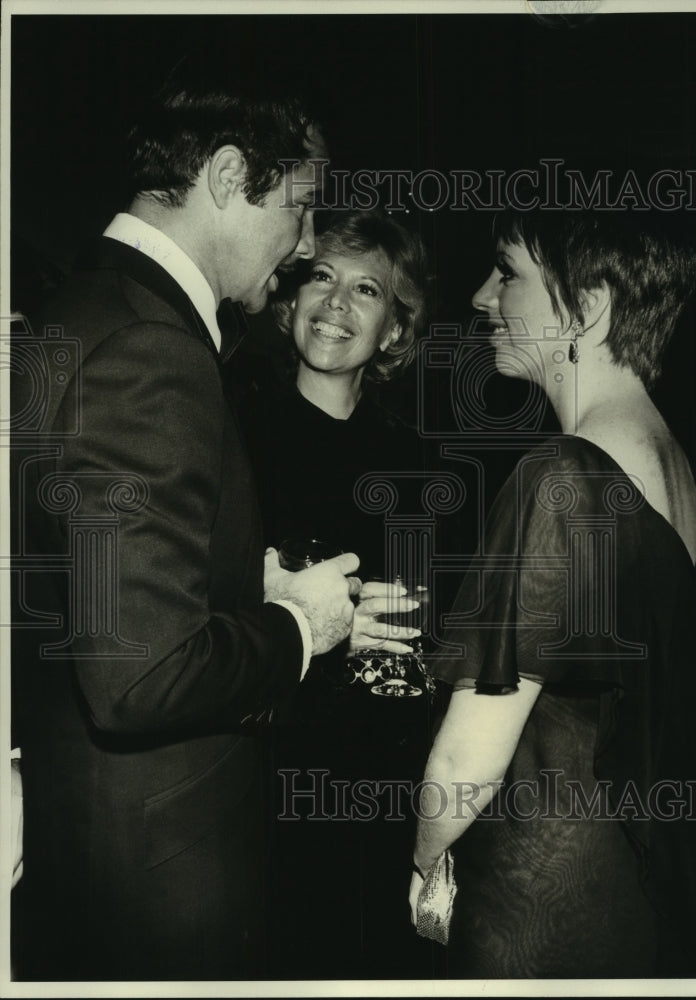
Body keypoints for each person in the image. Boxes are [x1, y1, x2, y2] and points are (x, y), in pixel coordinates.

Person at [10, 56, 360, 981]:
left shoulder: (83, 309)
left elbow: (89, 580)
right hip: (159, 883)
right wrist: (299, 628)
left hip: (89, 850)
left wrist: (241, 585)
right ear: (226, 175)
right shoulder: (151, 351)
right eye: (301, 205)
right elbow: (143, 675)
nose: (307, 242)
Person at [408, 208, 696, 978]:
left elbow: (464, 762)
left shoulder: (560, 478)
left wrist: (422, 868)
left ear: (592, 305)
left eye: (507, 272)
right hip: (627, 887)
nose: (482, 297)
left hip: (534, 900)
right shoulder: (678, 475)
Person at [237, 210, 440, 977]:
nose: (336, 304)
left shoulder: (411, 461)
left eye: (366, 290)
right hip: (255, 769)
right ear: (290, 297)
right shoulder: (234, 427)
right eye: (322, 276)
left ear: (393, 330)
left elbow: (409, 652)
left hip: (369, 783)